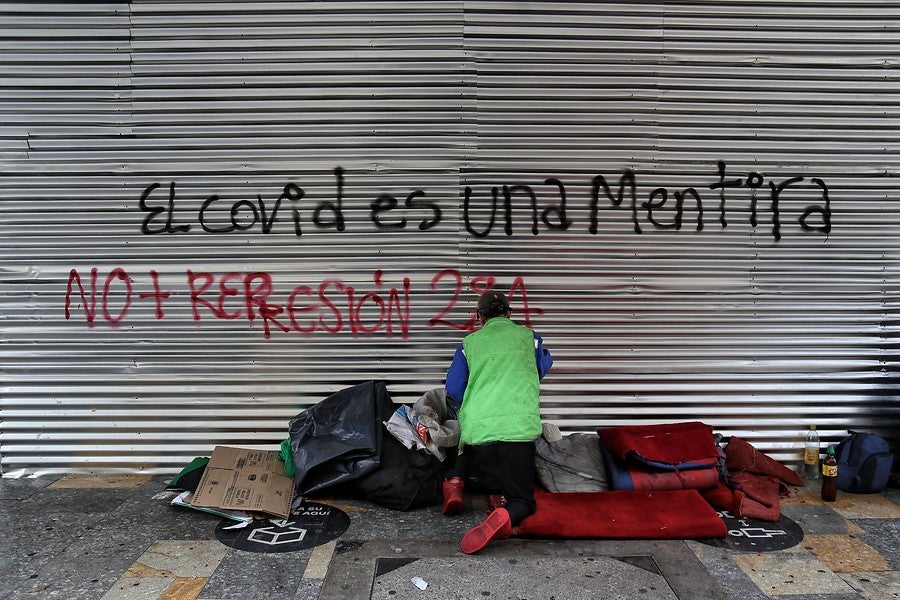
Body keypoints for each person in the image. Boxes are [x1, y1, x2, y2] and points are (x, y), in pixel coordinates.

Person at [442, 289, 553, 554]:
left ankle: (455, 482)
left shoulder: (468, 344)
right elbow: (541, 368)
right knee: (524, 502)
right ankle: (506, 513)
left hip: (479, 440)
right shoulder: (530, 338)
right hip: (518, 435)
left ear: (479, 316)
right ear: (509, 313)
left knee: (465, 436)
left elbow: (454, 389)